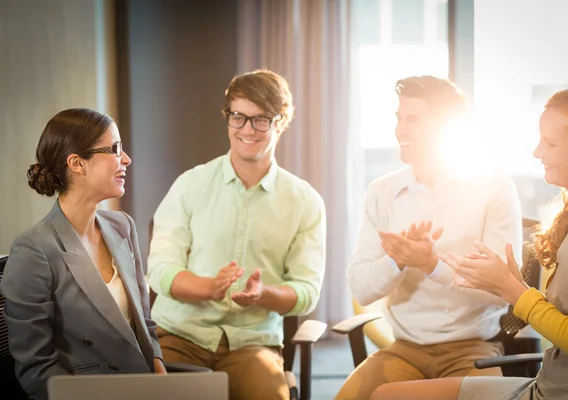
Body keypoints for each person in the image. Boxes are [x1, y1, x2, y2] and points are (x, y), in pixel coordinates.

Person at [370, 86, 568, 400]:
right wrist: (509, 284)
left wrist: (513, 290)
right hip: (548, 382)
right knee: (385, 394)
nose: (537, 152)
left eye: (551, 143)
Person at [336, 76, 523, 400]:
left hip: (472, 348)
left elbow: (502, 292)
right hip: (404, 349)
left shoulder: (494, 187)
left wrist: (431, 264)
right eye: (399, 118)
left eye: (413, 120)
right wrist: (397, 259)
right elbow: (362, 290)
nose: (400, 131)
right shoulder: (382, 192)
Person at [147, 69, 326, 400]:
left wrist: (264, 294)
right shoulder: (190, 185)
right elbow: (159, 271)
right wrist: (208, 288)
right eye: (238, 117)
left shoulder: (305, 201)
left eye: (260, 120)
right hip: (179, 336)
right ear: (227, 117)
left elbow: (307, 291)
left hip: (252, 344)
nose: (247, 130)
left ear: (281, 122)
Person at [0, 108, 165, 400]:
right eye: (115, 149)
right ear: (77, 163)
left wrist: (163, 382)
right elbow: (37, 371)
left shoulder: (123, 226)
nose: (126, 159)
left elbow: (145, 325)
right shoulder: (33, 249)